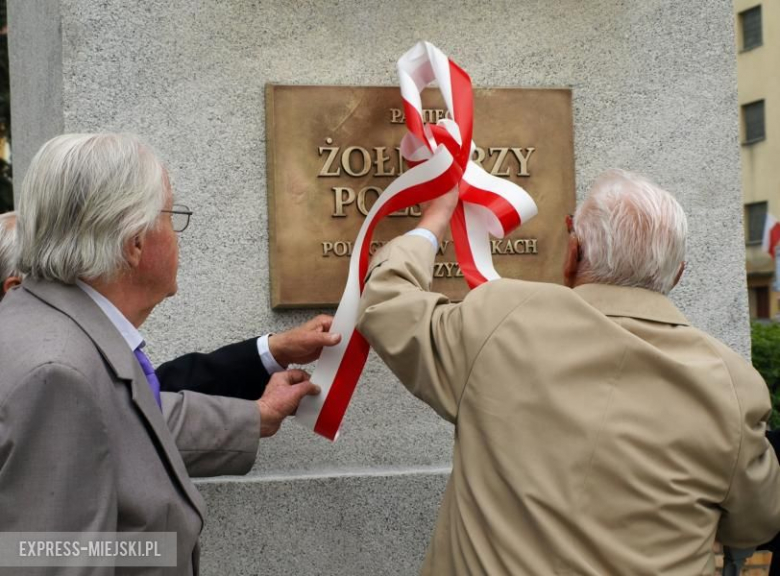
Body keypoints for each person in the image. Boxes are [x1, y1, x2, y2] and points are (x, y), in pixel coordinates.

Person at [357, 169, 780, 575]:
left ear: (573, 252)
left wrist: (433, 220)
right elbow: (754, 524)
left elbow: (388, 307)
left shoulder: (500, 320)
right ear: (678, 274)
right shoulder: (734, 387)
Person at [0, 133, 321, 575]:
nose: (177, 236)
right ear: (134, 243)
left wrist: (259, 415)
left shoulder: (47, 322)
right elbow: (49, 561)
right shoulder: (59, 373)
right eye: (172, 216)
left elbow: (128, 420)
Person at [0, 209, 339, 400]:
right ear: (14, 291)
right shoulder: (46, 376)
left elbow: (153, 397)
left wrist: (275, 350)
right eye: (59, 275)